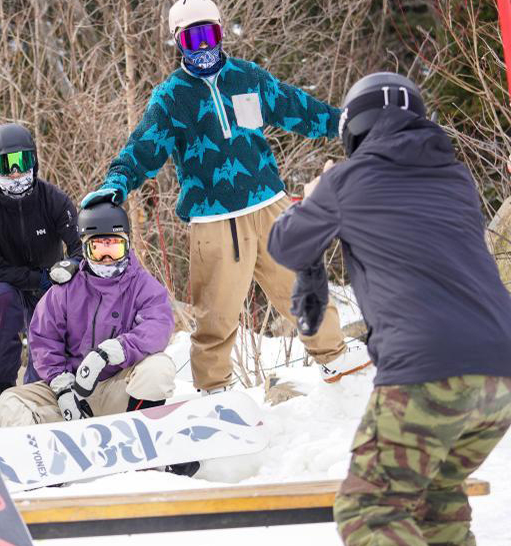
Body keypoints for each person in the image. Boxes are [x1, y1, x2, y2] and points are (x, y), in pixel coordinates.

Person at [267, 72, 511, 545]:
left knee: (370, 509)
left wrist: (319, 192)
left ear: (354, 130)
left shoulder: (347, 179)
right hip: (501, 372)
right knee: (437, 501)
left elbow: (284, 242)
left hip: (427, 367)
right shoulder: (455, 179)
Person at [78, 0, 370, 393]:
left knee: (301, 284)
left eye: (209, 35)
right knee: (216, 313)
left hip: (269, 204)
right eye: (191, 39)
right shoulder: (171, 98)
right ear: (178, 42)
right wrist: (117, 182)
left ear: (220, 30)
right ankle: (215, 388)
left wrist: (341, 123)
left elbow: (293, 107)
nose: (202, 47)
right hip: (215, 220)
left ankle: (333, 355)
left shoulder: (246, 77)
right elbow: (143, 149)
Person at [0, 203, 195, 474]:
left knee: (159, 367)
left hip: (120, 390)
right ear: (85, 250)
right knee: (9, 401)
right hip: (74, 397)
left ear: (127, 244)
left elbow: (158, 326)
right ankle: (42, 459)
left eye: (114, 247)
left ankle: (148, 441)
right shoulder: (66, 289)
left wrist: (116, 350)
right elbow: (44, 339)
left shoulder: (143, 286)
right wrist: (62, 386)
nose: (107, 259)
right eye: (98, 249)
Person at [0, 123, 83, 423]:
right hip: (10, 286)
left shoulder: (53, 199)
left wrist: (68, 268)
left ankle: (34, 391)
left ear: (34, 162)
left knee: (51, 315)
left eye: (21, 163)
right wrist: (35, 278)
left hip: (50, 285)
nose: (14, 173)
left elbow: (79, 248)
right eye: (5, 165)